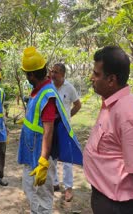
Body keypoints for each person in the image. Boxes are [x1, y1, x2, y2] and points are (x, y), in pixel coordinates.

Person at [83, 46, 133, 214]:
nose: (91, 78)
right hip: (103, 196)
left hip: (116, 205)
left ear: (111, 80)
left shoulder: (129, 114)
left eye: (96, 74)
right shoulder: (110, 104)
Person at [18, 46, 82, 213]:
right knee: (30, 189)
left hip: (41, 154)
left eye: (27, 74)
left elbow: (48, 130)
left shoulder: (48, 94)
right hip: (33, 150)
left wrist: (44, 161)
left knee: (43, 197)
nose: (27, 77)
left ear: (31, 75)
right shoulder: (39, 90)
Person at [51, 63, 81, 202]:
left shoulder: (69, 88)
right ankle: (55, 183)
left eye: (56, 72)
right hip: (51, 127)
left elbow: (78, 105)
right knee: (53, 157)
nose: (53, 74)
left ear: (63, 74)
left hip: (65, 128)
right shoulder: (49, 86)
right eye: (52, 71)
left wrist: (67, 117)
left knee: (67, 159)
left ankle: (68, 188)